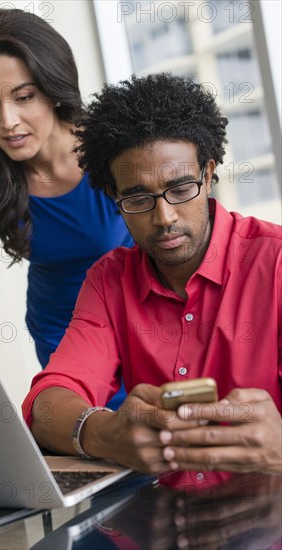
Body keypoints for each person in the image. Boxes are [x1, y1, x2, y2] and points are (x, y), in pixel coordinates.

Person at [23, 73, 282, 477]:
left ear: (209, 173)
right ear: (115, 198)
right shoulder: (108, 282)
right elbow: (50, 402)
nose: (164, 217)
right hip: (159, 520)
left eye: (181, 190)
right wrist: (103, 431)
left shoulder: (276, 262)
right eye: (139, 198)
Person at [0, 9, 132, 409]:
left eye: (24, 97)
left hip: (140, 323)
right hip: (61, 335)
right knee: (95, 451)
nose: (8, 122)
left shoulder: (111, 145)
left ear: (52, 88)